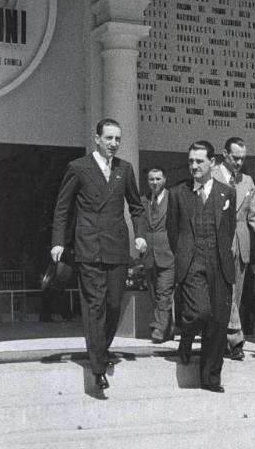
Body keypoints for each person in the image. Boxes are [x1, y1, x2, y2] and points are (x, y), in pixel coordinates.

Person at [51, 118, 147, 390]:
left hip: (116, 247)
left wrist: (139, 234)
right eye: (109, 139)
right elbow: (62, 208)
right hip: (89, 247)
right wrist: (58, 241)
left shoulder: (125, 169)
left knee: (114, 304)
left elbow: (136, 207)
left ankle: (101, 350)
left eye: (118, 139)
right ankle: (97, 367)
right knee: (94, 306)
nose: (114, 144)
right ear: (96, 138)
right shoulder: (78, 168)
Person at [166, 140, 236, 392]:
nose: (193, 166)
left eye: (199, 161)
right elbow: (172, 230)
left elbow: (229, 227)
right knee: (200, 312)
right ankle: (186, 337)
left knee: (218, 323)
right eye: (190, 161)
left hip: (219, 263)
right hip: (192, 262)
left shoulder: (226, 192)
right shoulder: (177, 193)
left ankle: (210, 379)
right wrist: (186, 254)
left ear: (212, 163)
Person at [212, 137, 255, 360]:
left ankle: (226, 341)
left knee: (235, 298)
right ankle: (235, 340)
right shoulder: (211, 175)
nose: (239, 163)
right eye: (235, 158)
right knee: (227, 293)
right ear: (224, 154)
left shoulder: (247, 181)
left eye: (242, 159)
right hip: (218, 242)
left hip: (242, 244)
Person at [141, 166, 175, 343]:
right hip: (148, 254)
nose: (154, 182)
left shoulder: (173, 198)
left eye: (158, 179)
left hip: (169, 254)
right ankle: (167, 329)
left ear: (164, 180)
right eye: (151, 179)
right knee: (154, 293)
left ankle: (158, 329)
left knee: (164, 291)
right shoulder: (143, 201)